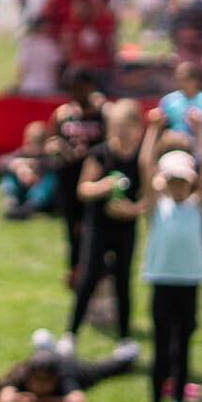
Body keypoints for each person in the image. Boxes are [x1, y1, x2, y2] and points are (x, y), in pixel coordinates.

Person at [139, 117, 202, 402]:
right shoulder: (158, 208)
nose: (179, 187)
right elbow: (145, 163)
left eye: (184, 181)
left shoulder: (197, 207)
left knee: (182, 348)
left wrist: (198, 133)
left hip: (188, 284)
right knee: (160, 347)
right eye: (174, 181)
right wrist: (154, 130)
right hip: (162, 282)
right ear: (165, 181)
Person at [67, 100, 149, 354]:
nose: (122, 131)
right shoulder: (100, 154)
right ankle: (71, 334)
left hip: (125, 227)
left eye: (127, 126)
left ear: (137, 128)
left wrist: (132, 210)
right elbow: (83, 189)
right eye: (118, 126)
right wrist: (104, 186)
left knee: (123, 280)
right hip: (99, 225)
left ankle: (124, 338)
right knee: (89, 276)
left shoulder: (140, 158)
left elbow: (148, 196)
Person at [50, 69, 108, 280]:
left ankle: (98, 267)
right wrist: (63, 150)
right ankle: (75, 269)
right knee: (72, 226)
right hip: (68, 177)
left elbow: (110, 142)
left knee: (93, 225)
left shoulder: (103, 112)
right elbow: (52, 141)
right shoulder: (63, 113)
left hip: (94, 177)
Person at [0, 329, 136, 402]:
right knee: (41, 341)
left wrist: (39, 401)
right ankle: (48, 347)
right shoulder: (23, 372)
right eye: (37, 381)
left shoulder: (65, 374)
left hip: (75, 367)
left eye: (45, 382)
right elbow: (4, 400)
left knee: (105, 368)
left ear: (54, 379)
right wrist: (21, 399)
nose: (40, 387)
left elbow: (78, 401)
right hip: (51, 360)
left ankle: (127, 355)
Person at [157, 60, 202, 154]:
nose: (182, 83)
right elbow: (159, 126)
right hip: (175, 148)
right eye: (179, 79)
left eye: (186, 79)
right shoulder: (168, 100)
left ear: (195, 80)